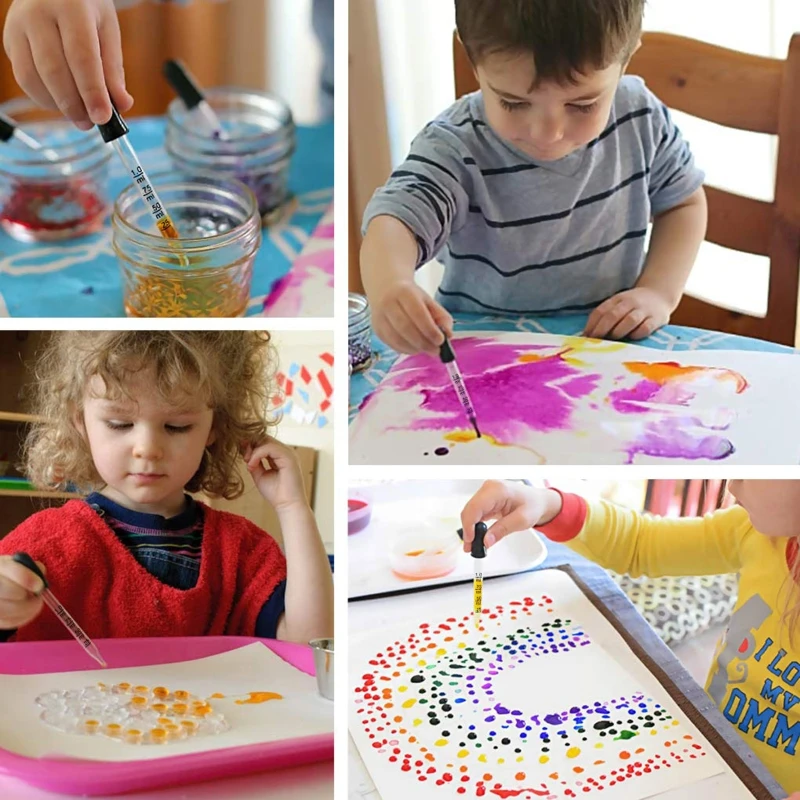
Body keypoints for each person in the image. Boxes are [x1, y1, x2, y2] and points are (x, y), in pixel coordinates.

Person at [360, 0, 707, 356]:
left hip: (607, 354)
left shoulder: (640, 117)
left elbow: (684, 204)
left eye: (582, 104)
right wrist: (390, 282)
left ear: (626, 57)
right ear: (474, 60)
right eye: (513, 102)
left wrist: (658, 291)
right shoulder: (455, 147)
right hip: (486, 356)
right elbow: (396, 219)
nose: (547, 134)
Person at [459, 479, 800, 795]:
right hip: (709, 755)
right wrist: (548, 505)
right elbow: (641, 544)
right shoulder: (758, 532)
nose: (732, 482)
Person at [0, 331, 333, 644]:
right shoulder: (49, 541)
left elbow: (311, 643)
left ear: (213, 428)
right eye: (120, 424)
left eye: (177, 426)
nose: (147, 448)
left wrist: (292, 508)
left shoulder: (241, 549)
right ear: (80, 422)